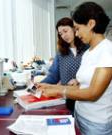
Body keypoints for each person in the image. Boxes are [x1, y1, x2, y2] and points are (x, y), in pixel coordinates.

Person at [37, 2, 112, 135]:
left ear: (91, 24)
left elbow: (93, 93)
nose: (76, 34)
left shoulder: (107, 50)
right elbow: (82, 86)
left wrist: (60, 92)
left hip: (96, 123)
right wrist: (51, 87)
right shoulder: (89, 53)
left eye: (77, 28)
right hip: (81, 116)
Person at [40, 17, 88, 113]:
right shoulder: (61, 53)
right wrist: (40, 85)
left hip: (86, 98)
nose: (64, 36)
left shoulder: (88, 49)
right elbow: (53, 75)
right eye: (61, 34)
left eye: (65, 31)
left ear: (74, 29)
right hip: (68, 97)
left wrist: (79, 80)